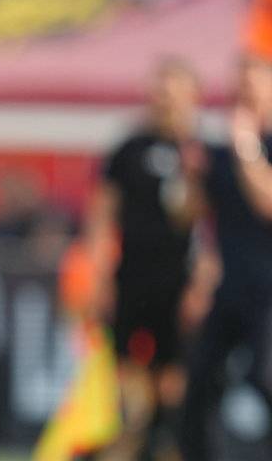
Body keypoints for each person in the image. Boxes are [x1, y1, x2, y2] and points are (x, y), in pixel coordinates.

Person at [84, 58, 203, 459]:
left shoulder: (202, 153)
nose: (164, 101)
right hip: (132, 274)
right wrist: (98, 273)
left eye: (173, 93)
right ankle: (133, 436)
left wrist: (202, 283)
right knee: (124, 362)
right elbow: (102, 213)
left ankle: (162, 439)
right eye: (159, 91)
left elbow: (203, 223)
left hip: (178, 278)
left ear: (191, 97)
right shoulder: (129, 149)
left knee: (173, 368)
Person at [178, 55, 272, 460]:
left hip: (268, 290)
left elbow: (267, 204)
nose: (244, 94)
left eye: (253, 84)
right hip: (230, 285)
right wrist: (189, 175)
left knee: (265, 379)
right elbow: (192, 217)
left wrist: (246, 147)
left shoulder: (249, 147)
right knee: (200, 380)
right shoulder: (219, 152)